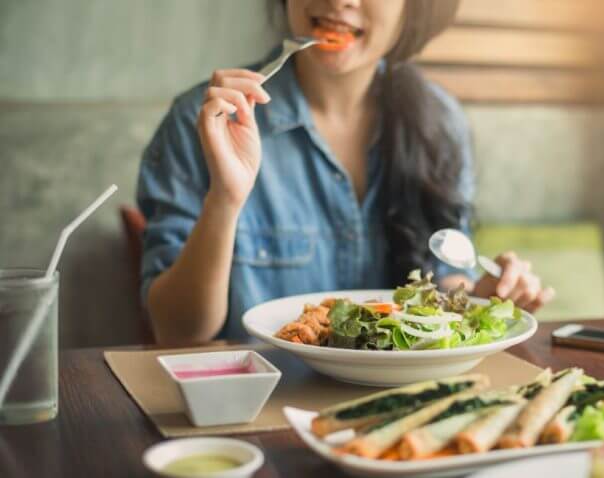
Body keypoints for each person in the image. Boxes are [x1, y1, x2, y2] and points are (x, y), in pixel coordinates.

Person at [137, 0, 555, 346]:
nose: (340, 1)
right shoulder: (207, 121)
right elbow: (176, 331)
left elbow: (443, 279)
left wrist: (481, 298)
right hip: (259, 401)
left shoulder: (440, 122)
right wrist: (224, 200)